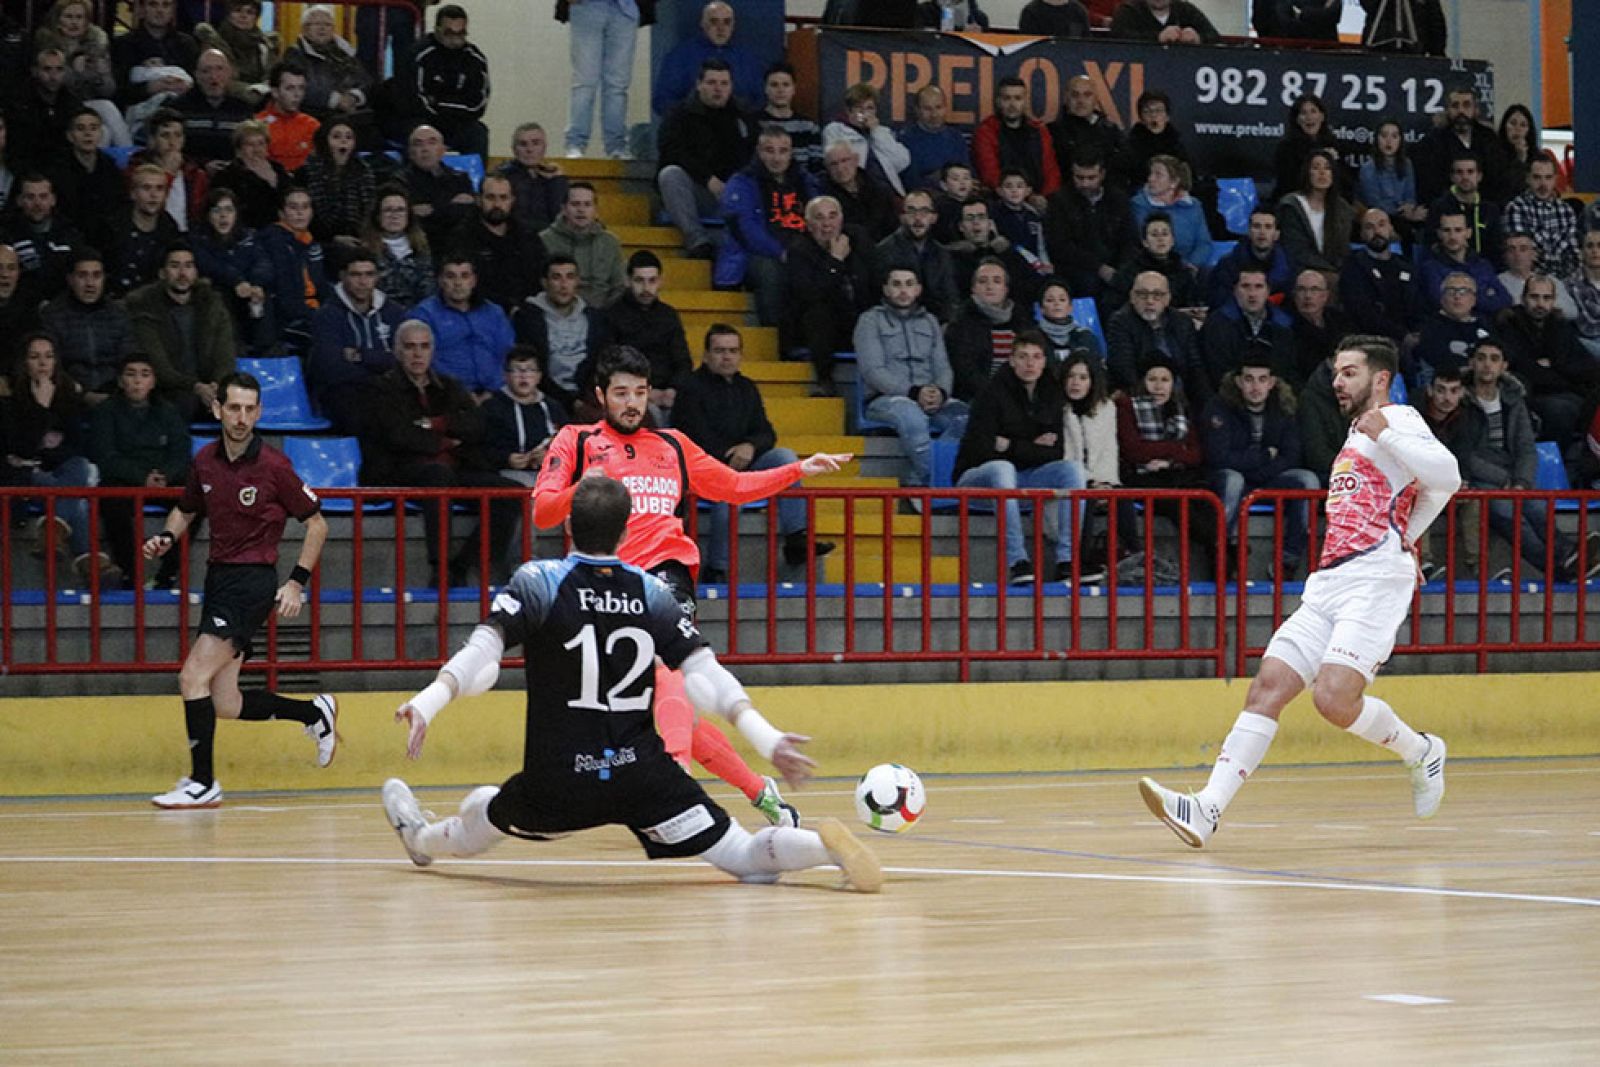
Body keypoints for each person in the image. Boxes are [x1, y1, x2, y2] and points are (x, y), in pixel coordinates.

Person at [380, 475, 882, 892]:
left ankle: (419, 839)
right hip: (643, 775)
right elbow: (706, 676)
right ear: (625, 534)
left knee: (479, 823)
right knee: (747, 858)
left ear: (570, 525)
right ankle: (821, 848)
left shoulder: (539, 580)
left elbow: (482, 652)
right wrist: (769, 739)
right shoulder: (652, 592)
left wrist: (428, 700)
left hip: (560, 780)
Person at [1139, 336, 1458, 847]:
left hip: (1375, 579)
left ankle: (1420, 750)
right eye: (1336, 371)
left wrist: (1402, 539)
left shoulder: (1397, 420)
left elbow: (1448, 477)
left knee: (1332, 699)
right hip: (1330, 580)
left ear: (1379, 379)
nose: (1337, 381)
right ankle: (1206, 808)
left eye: (1349, 372)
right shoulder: (1357, 433)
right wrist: (1409, 536)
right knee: (1268, 686)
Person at [532, 345, 853, 827]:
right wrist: (584, 487)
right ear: (601, 396)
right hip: (599, 590)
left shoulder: (674, 446)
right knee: (660, 712)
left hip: (666, 574)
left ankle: (675, 784)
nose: (632, 403)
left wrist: (796, 470)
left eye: (639, 392)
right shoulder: (575, 442)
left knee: (667, 668)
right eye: (621, 393)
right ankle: (758, 790)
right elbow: (543, 511)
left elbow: (734, 487)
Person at [143, 370, 338, 809]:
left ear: (259, 413)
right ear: (217, 410)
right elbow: (185, 509)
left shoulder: (274, 466)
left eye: (250, 409)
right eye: (234, 408)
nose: (242, 417)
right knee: (226, 701)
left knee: (191, 676)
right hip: (218, 580)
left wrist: (296, 581)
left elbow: (317, 524)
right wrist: (167, 538)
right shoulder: (205, 462)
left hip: (251, 583)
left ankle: (203, 781)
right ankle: (314, 713)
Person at [360, 319, 521, 586]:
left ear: (433, 350)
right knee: (437, 474)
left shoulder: (449, 385)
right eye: (410, 347)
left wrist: (436, 424)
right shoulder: (380, 388)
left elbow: (476, 424)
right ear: (397, 351)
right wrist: (447, 441)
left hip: (455, 467)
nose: (417, 354)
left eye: (424, 347)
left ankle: (464, 564)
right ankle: (440, 566)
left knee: (510, 494)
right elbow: (398, 436)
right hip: (400, 469)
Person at [671, 324, 835, 583]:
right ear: (706, 355)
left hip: (746, 462)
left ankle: (796, 539)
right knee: (729, 495)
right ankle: (717, 569)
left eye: (733, 351)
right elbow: (690, 436)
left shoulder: (747, 387)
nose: (727, 357)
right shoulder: (690, 388)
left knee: (785, 458)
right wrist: (728, 458)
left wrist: (750, 447)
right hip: (706, 469)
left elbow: (766, 432)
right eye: (720, 351)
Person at [953, 330, 1085, 584]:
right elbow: (982, 448)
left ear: (1045, 360)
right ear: (1011, 360)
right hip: (977, 478)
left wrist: (1009, 443)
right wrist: (1029, 443)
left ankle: (1067, 560)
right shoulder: (990, 392)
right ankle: (1018, 562)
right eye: (1023, 357)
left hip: (1025, 477)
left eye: (1036, 357)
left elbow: (1054, 452)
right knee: (1002, 468)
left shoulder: (1052, 394)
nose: (1030, 363)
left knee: (1073, 470)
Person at [1462, 339, 1595, 583]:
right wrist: (1504, 480)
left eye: (1494, 359)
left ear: (1504, 366)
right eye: (1481, 358)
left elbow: (1526, 447)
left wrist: (1521, 482)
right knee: (1506, 512)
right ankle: (1562, 565)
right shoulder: (1461, 400)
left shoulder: (1514, 400)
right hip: (1479, 477)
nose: (1487, 365)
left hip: (1512, 473)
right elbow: (1464, 455)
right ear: (1471, 363)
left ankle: (1567, 557)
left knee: (1537, 506)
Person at [1, 331, 111, 584]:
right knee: (77, 497)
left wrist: (45, 453)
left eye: (48, 357)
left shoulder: (66, 396)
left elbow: (75, 445)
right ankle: (89, 560)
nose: (42, 363)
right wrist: (41, 408)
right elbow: (21, 448)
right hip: (20, 475)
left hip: (54, 469)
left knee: (81, 466)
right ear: (24, 363)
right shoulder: (8, 400)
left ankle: (52, 531)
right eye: (35, 357)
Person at [1201, 350, 1320, 578]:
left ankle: (1288, 560)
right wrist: (1265, 455)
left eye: (1262, 379)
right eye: (1249, 379)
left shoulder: (1284, 407)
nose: (1255, 387)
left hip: (1267, 480)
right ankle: (1222, 553)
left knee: (1307, 479)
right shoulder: (1219, 407)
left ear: (1272, 382)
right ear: (1238, 381)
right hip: (1229, 482)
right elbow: (1219, 457)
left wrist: (1257, 468)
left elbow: (1291, 455)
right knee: (1233, 479)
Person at [854, 266, 969, 493]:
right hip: (886, 399)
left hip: (930, 397)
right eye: (896, 284)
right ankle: (938, 486)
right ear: (886, 289)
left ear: (918, 289)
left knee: (967, 418)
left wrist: (940, 392)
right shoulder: (869, 320)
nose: (903, 290)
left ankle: (919, 477)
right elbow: (873, 371)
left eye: (909, 284)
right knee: (912, 415)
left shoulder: (930, 321)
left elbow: (943, 366)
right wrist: (913, 392)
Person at [88, 353, 190, 587]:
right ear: (121, 380)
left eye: (144, 375)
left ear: (153, 381)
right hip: (125, 480)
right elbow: (105, 457)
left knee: (195, 499)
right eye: (131, 374)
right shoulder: (106, 411)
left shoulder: (168, 411)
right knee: (110, 498)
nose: (137, 381)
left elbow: (180, 451)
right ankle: (129, 572)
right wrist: (142, 477)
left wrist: (164, 475)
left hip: (163, 478)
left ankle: (169, 570)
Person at [716, 124, 816, 327]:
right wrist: (781, 252)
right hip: (755, 256)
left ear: (791, 153)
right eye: (770, 150)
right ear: (759, 152)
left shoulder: (807, 182)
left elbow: (821, 218)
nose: (776, 158)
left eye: (783, 151)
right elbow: (746, 230)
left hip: (801, 249)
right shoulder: (741, 182)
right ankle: (775, 339)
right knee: (771, 270)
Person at [656, 59, 753, 259]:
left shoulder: (744, 116)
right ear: (699, 84)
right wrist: (708, 180)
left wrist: (734, 185)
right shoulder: (678, 115)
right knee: (670, 175)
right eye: (711, 82)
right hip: (698, 191)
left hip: (735, 192)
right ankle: (698, 241)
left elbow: (753, 156)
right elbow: (672, 153)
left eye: (724, 83)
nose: (718, 89)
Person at [127, 240, 236, 419]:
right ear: (162, 273)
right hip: (168, 390)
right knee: (182, 404)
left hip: (209, 389)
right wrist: (196, 387)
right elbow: (158, 365)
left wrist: (216, 386)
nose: (182, 273)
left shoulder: (212, 305)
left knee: (238, 407)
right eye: (175, 266)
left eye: (188, 266)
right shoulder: (144, 308)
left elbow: (225, 354)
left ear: (196, 272)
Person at [307, 249, 404, 436]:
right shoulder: (327, 315)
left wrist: (362, 355)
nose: (363, 282)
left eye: (369, 274)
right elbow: (331, 368)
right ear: (343, 276)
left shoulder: (394, 312)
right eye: (356, 275)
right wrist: (380, 367)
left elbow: (402, 360)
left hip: (388, 390)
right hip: (343, 393)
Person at [785, 195, 873, 397]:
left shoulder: (859, 240)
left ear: (841, 219)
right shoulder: (798, 250)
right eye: (819, 218)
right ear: (808, 224)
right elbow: (810, 295)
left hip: (858, 317)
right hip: (818, 325)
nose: (827, 224)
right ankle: (824, 379)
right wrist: (835, 262)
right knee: (818, 313)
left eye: (832, 216)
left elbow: (873, 281)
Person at [1497, 273, 1596, 448]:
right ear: (1523, 298)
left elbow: (1586, 365)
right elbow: (1522, 366)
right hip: (1535, 394)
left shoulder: (1560, 325)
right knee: (1561, 411)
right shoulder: (1509, 324)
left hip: (1569, 390)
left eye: (1546, 298)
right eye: (1534, 297)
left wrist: (1555, 365)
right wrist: (1561, 370)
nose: (1540, 304)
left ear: (1553, 300)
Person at [408, 253, 515, 401]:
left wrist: (491, 392)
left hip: (497, 394)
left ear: (473, 281)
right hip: (446, 396)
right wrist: (459, 393)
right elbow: (424, 360)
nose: (458, 283)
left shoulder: (494, 312)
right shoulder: (424, 314)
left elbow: (507, 354)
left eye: (464, 276)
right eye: (450, 276)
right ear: (440, 281)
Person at [601, 250, 690, 424]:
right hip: (631, 393)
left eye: (652, 281)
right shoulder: (612, 315)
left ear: (660, 282)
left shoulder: (669, 315)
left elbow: (683, 361)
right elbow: (611, 364)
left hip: (669, 393)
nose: (646, 288)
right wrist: (645, 392)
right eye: (639, 280)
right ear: (627, 281)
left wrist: (673, 389)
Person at [512, 255, 610, 411]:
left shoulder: (594, 318)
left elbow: (600, 363)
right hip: (543, 397)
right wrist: (570, 401)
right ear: (545, 283)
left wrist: (585, 399)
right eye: (556, 278)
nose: (564, 285)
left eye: (570, 277)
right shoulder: (527, 318)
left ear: (578, 281)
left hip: (588, 396)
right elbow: (531, 366)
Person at [446, 172, 549, 312]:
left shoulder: (528, 236)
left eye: (503, 198)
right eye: (490, 197)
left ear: (512, 200)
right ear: (478, 199)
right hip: (479, 312)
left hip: (528, 311)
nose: (497, 204)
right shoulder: (462, 237)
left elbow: (541, 277)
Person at [558, 0, 646, 160]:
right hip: (587, 6)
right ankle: (575, 144)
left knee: (617, 85)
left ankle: (616, 147)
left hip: (625, 8)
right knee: (585, 82)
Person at [42, 249, 132, 405]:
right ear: (70, 279)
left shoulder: (118, 314)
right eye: (82, 276)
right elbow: (52, 366)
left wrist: (119, 391)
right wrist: (82, 394)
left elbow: (129, 357)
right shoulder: (53, 315)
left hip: (116, 395)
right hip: (68, 397)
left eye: (96, 276)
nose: (90, 283)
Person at [399, 4, 490, 156]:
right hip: (424, 121)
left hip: (459, 123)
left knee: (478, 133)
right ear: (437, 29)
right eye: (449, 33)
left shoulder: (475, 59)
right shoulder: (419, 55)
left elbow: (477, 105)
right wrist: (455, 104)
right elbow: (413, 101)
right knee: (416, 132)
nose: (455, 39)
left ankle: (476, 179)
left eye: (460, 33)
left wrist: (438, 102)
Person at [1044, 148, 1131, 303]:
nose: (1085, 183)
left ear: (1102, 174)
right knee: (1088, 283)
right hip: (1076, 269)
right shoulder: (1059, 202)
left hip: (1115, 265)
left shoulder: (1118, 199)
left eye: (1091, 178)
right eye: (1079, 177)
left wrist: (1121, 268)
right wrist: (1099, 267)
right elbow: (1060, 246)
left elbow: (1129, 240)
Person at [651, 0, 764, 117]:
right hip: (692, 126)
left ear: (733, 26)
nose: (721, 28)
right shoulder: (680, 56)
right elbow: (662, 101)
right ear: (703, 24)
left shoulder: (747, 58)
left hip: (735, 125)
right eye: (714, 21)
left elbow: (759, 99)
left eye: (727, 22)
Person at [946, 256, 1035, 402]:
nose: (989, 286)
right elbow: (965, 372)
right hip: (979, 398)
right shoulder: (960, 323)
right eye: (982, 281)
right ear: (973, 289)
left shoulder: (1023, 321)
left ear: (1005, 289)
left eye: (997, 281)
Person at [253, 185, 329, 352]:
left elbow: (321, 285)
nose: (300, 213)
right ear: (281, 213)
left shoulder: (311, 243)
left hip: (313, 313)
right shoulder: (274, 241)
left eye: (305, 207)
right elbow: (285, 297)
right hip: (288, 321)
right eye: (293, 207)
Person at [1104, 269, 1204, 396]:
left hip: (1181, 395)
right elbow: (1124, 370)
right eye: (1142, 294)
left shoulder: (1182, 322)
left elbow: (1195, 367)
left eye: (1157, 294)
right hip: (1140, 393)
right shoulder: (1120, 322)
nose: (1150, 301)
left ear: (1167, 299)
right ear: (1132, 297)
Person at [1198, 265, 1295, 394]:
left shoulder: (1283, 325)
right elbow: (1216, 372)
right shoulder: (1217, 324)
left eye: (1259, 286)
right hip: (1228, 398)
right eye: (1245, 286)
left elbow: (1286, 370)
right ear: (1235, 290)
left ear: (1268, 291)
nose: (1252, 293)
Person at [481, 344, 567, 487]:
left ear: (539, 376)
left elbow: (570, 444)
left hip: (551, 472)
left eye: (530, 370)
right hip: (506, 474)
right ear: (506, 376)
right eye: (516, 370)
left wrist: (549, 456)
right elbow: (483, 449)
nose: (523, 376)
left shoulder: (553, 407)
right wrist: (507, 459)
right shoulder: (492, 407)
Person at [1412, 86, 1511, 206]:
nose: (1461, 111)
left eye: (1466, 105)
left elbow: (1498, 178)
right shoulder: (1433, 141)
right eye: (1455, 106)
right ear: (1447, 110)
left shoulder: (1489, 138)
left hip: (1486, 208)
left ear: (1475, 109)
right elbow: (1430, 185)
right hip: (1448, 210)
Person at [1340, 208, 1424, 347]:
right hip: (1374, 341)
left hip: (1412, 337)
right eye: (1369, 227)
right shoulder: (1354, 265)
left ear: (1391, 229)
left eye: (1381, 224)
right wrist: (1403, 335)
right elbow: (1364, 313)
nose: (1377, 231)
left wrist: (1419, 332)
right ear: (1362, 234)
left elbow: (1419, 304)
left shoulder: (1405, 265)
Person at [875, 188, 957, 324]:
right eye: (912, 211)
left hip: (937, 325)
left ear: (934, 218)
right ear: (902, 217)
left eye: (924, 211)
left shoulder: (942, 253)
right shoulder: (884, 251)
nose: (918, 218)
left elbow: (951, 298)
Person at [538, 181, 624, 309]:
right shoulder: (543, 240)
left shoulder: (610, 242)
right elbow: (539, 285)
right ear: (564, 209)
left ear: (595, 210)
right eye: (575, 204)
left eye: (587, 205)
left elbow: (619, 287)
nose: (581, 210)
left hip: (602, 315)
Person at [47, 108, 129, 240]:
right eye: (80, 128)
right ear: (70, 135)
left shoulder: (111, 168)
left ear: (101, 134)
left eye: (93, 128)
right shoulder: (57, 171)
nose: (88, 134)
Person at [972, 76, 1058, 199]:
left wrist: (1046, 197)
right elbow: (989, 173)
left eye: (1018, 98)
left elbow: (1051, 170)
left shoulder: (1039, 131)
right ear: (998, 101)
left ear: (1025, 101)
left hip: (1040, 199)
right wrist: (1021, 196)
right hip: (1001, 199)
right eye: (1006, 98)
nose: (1012, 104)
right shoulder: (986, 132)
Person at [822, 82, 911, 199]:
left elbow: (902, 162)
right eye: (859, 108)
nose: (865, 113)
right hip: (857, 193)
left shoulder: (882, 132)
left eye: (869, 108)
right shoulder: (835, 130)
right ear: (849, 111)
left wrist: (876, 131)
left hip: (890, 193)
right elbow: (840, 165)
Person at [104, 164, 182, 296]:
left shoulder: (170, 228)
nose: (153, 195)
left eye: (159, 189)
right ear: (133, 193)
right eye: (146, 188)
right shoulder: (111, 227)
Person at [0, 173, 82, 299]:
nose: (37, 203)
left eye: (43, 196)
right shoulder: (6, 234)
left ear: (53, 200)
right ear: (19, 201)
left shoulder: (70, 234)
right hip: (20, 307)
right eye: (30, 197)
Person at [1276, 150, 1356, 276]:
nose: (1322, 173)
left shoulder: (1342, 208)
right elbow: (1297, 250)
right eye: (1316, 168)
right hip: (1300, 270)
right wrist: (1327, 272)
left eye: (1327, 168)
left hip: (1335, 272)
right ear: (1307, 173)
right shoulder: (1291, 206)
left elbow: (1342, 251)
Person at [1501, 156, 1580, 283]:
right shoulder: (1516, 208)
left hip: (1565, 281)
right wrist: (1556, 260)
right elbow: (1523, 257)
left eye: (1548, 177)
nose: (1543, 184)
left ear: (1555, 179)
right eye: (1537, 177)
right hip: (1528, 281)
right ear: (1527, 178)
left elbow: (1573, 255)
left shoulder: (1567, 211)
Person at [130, 108, 209, 234]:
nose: (172, 143)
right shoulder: (135, 170)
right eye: (165, 135)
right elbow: (145, 209)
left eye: (178, 135)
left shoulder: (196, 174)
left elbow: (200, 215)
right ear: (152, 140)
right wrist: (168, 175)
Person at [299, 116, 375, 246]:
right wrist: (332, 238)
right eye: (336, 137)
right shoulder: (307, 171)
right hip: (318, 238)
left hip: (358, 236)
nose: (343, 141)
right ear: (324, 141)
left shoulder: (363, 170)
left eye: (349, 137)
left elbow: (370, 208)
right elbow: (306, 214)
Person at [398, 123, 476, 248]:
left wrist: (431, 209)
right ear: (410, 153)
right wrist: (450, 205)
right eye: (418, 144)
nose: (425, 149)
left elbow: (468, 215)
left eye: (432, 143)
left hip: (457, 244)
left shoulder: (460, 178)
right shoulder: (400, 181)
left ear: (443, 150)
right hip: (418, 245)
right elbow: (411, 221)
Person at [111, 0, 199, 109]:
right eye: (153, 4)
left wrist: (185, 87)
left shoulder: (187, 44)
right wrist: (148, 88)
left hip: (182, 109)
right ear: (141, 9)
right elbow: (117, 91)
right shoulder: (123, 44)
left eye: (166, 5)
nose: (160, 10)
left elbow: (198, 82)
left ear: (173, 10)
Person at [172, 49, 256, 164]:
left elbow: (250, 149)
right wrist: (202, 166)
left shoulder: (243, 109)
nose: (213, 76)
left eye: (220, 69)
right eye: (206, 71)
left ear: (229, 72)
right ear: (196, 75)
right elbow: (172, 149)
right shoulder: (179, 108)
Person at [1418, 209, 1509, 315]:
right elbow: (1444, 303)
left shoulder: (1483, 265)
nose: (1452, 236)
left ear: (1468, 232)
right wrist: (1485, 294)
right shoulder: (1430, 268)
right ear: (1439, 233)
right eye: (1447, 230)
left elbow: (1505, 299)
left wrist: (1465, 298)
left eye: (1458, 230)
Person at [1130, 155, 1211, 272]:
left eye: (1158, 174)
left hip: (1190, 268)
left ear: (1174, 182)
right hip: (1152, 267)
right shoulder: (1139, 205)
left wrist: (1192, 265)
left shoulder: (1194, 205)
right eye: (1151, 173)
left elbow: (1203, 243)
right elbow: (1141, 243)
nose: (1150, 178)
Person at [1107, 213, 1201, 312]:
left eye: (1165, 234)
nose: (1160, 239)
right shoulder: (1129, 272)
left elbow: (1191, 305)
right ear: (1145, 242)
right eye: (1154, 235)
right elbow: (1114, 306)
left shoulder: (1183, 271)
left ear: (1172, 240)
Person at [1356, 119, 1428, 248]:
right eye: (1384, 136)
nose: (1389, 141)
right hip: (1380, 218)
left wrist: (1410, 208)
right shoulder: (1368, 168)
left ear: (1400, 140)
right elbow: (1375, 203)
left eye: (1394, 136)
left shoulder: (1407, 164)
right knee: (1404, 230)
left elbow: (1410, 196)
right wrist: (1405, 213)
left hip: (1404, 215)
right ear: (1376, 139)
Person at [1414, 270, 1495, 384]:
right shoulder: (1431, 327)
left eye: (1464, 291)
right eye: (1451, 291)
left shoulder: (1485, 325)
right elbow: (1439, 361)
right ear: (1442, 299)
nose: (1457, 296)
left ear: (1473, 300)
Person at [363, 184, 435, 309]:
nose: (394, 215)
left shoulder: (422, 248)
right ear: (377, 216)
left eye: (400, 210)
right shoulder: (365, 250)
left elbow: (428, 288)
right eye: (388, 210)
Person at [210, 119, 290, 230]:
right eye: (250, 144)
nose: (257, 149)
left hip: (282, 229)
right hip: (247, 232)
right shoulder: (227, 175)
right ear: (239, 148)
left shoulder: (278, 169)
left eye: (261, 143)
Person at [1207, 207, 1294, 309]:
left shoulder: (1290, 266)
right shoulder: (1228, 264)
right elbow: (1220, 302)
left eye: (1268, 227)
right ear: (1248, 231)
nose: (1262, 232)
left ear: (1277, 234)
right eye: (1257, 226)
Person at [195, 0, 274, 107]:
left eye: (250, 12)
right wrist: (246, 91)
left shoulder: (264, 45)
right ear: (228, 14)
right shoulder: (214, 42)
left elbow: (271, 75)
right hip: (225, 102)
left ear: (256, 18)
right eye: (238, 10)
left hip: (261, 101)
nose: (243, 16)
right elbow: (213, 77)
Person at [1272, 94, 1350, 202]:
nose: (1309, 117)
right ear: (1297, 119)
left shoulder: (1334, 145)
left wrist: (1333, 162)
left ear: (1322, 116)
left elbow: (1346, 182)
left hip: (1331, 202)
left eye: (1313, 111)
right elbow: (1286, 183)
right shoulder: (1286, 147)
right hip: (1297, 201)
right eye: (1303, 113)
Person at [1048, 76, 1124, 185]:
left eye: (1087, 95)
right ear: (1066, 98)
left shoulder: (1111, 131)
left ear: (1096, 99)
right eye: (1075, 95)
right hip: (1066, 196)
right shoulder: (1053, 132)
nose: (1081, 100)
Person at [819, 139, 896, 245]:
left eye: (844, 160)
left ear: (856, 160)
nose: (840, 168)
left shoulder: (879, 189)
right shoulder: (821, 195)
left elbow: (893, 227)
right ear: (826, 167)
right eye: (833, 164)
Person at [1285, 268, 1352, 387]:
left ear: (1325, 296)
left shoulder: (1340, 321)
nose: (1307, 296)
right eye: (1301, 290)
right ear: (1294, 295)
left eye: (1314, 289)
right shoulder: (1287, 329)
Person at [1427, 156, 1501, 263]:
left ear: (1479, 176)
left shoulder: (1490, 209)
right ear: (1452, 177)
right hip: (1447, 269)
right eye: (1459, 172)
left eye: (1470, 172)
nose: (1465, 177)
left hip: (1485, 270)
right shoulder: (1439, 207)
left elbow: (1496, 248)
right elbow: (1431, 244)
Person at [497, 123, 568, 234]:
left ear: (544, 147)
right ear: (514, 149)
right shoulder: (502, 177)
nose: (529, 149)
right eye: (523, 144)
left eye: (535, 143)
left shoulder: (554, 177)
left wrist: (557, 181)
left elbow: (562, 217)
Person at [897, 85, 969, 191]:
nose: (934, 114)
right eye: (927, 109)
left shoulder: (956, 138)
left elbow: (967, 174)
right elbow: (908, 182)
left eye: (938, 107)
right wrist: (936, 181)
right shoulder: (905, 140)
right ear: (917, 110)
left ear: (945, 108)